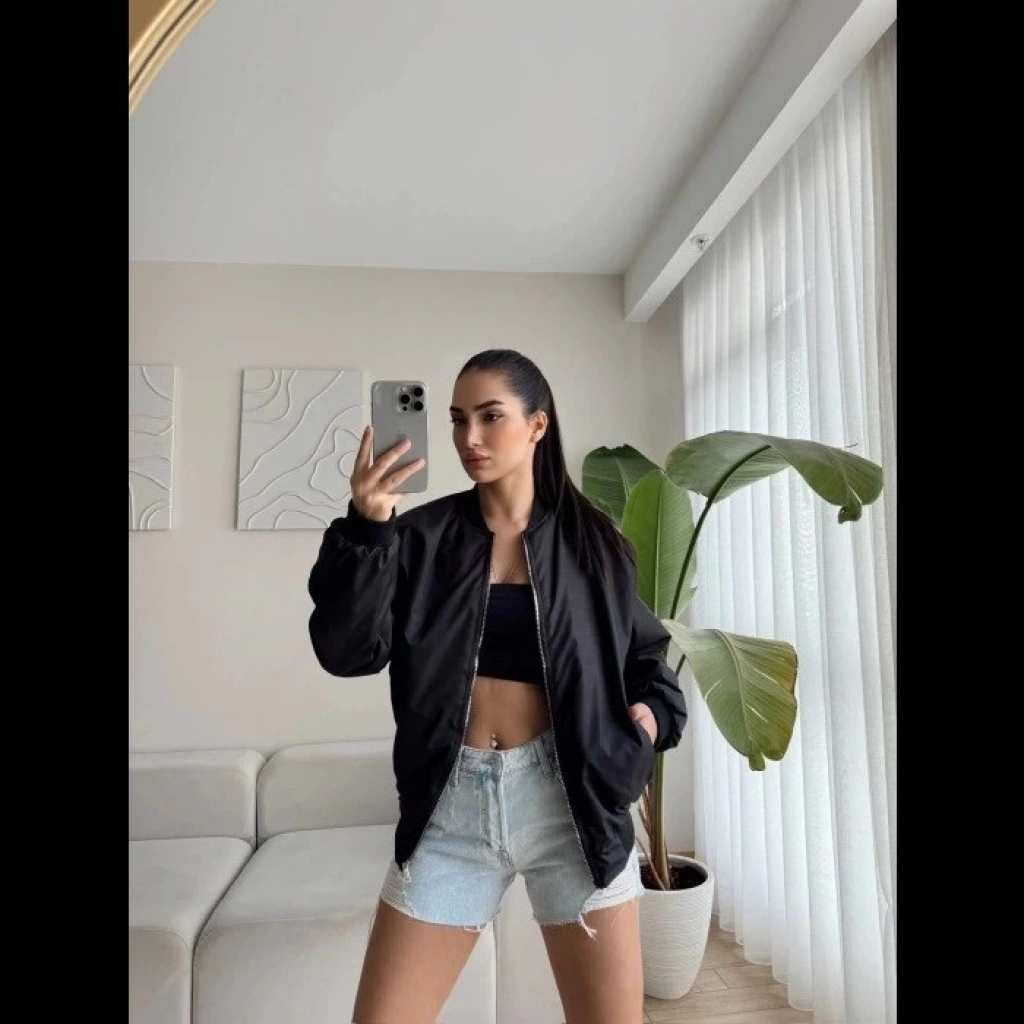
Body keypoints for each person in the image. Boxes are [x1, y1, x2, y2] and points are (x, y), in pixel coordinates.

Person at [307, 349, 688, 1024]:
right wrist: (368, 526)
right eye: (458, 420)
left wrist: (645, 725)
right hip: (450, 810)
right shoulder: (418, 537)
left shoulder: (593, 544)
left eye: (490, 417)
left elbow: (649, 663)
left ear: (538, 425)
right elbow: (348, 652)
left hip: (571, 806)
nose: (469, 438)